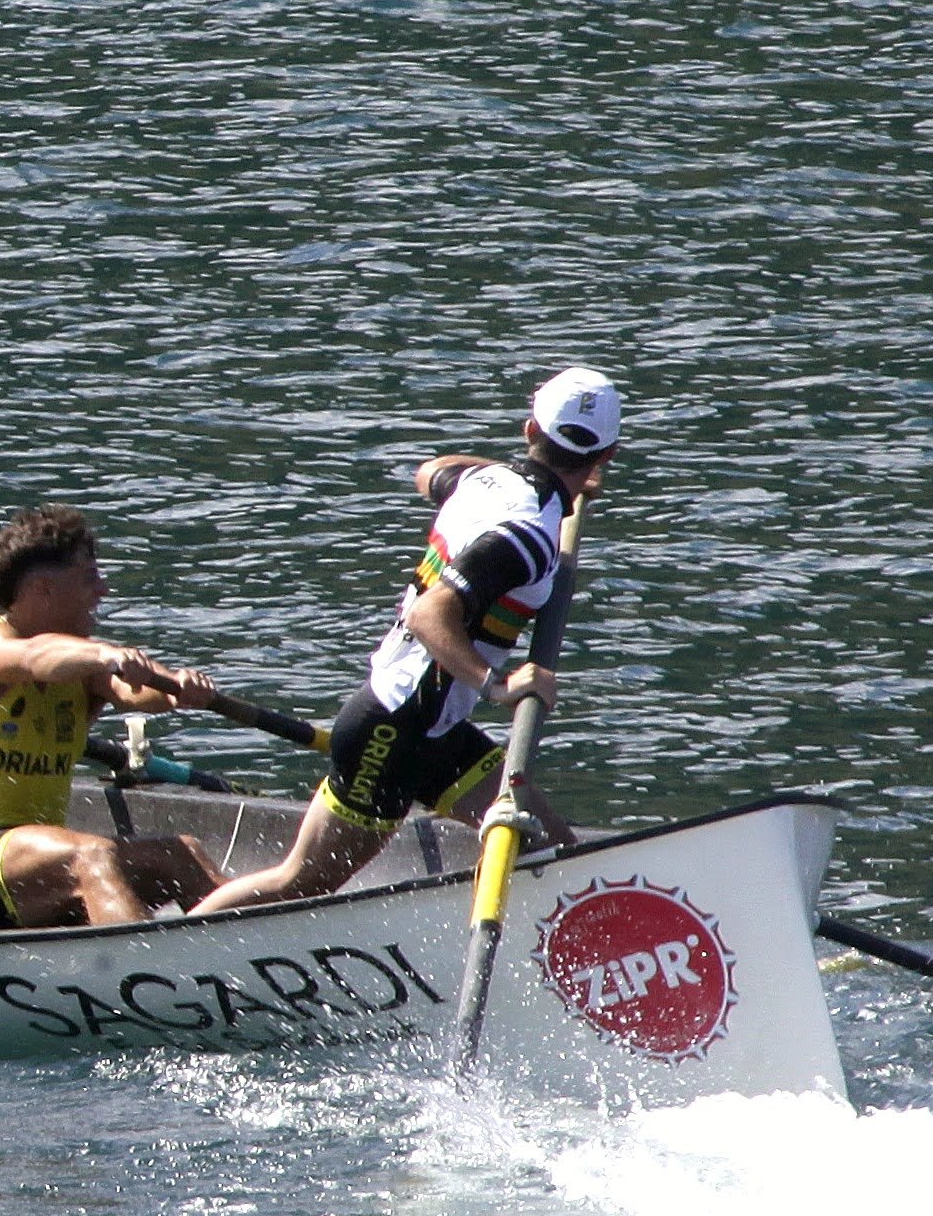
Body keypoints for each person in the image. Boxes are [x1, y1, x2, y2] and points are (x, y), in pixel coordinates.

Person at [195, 368, 623, 914]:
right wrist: (499, 686)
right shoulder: (528, 538)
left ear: (527, 430)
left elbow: (432, 472)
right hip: (392, 729)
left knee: (558, 855)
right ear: (608, 455)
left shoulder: (486, 484)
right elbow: (429, 615)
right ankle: (162, 958)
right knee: (299, 883)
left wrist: (552, 485)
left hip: (434, 729)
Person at [0, 507, 225, 928]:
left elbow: (134, 692)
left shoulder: (82, 667)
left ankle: (263, 953)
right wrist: (106, 654)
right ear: (44, 589)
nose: (102, 590)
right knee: (90, 853)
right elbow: (34, 658)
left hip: (43, 865)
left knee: (182, 853)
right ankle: (151, 972)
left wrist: (178, 690)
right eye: (89, 578)